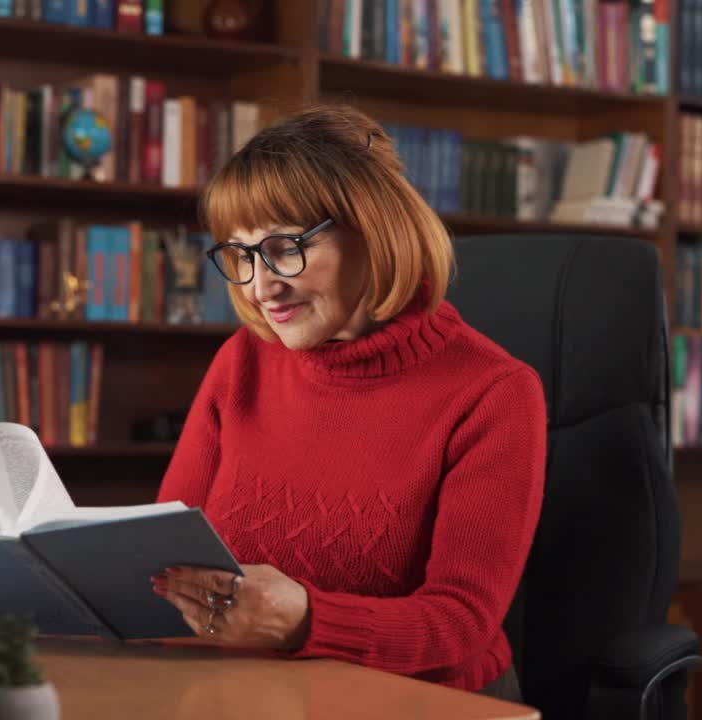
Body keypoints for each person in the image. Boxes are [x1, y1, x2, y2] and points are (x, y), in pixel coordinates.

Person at [151, 104, 545, 703]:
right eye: (243, 255)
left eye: (285, 247)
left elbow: (460, 623)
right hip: (249, 694)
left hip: (422, 703)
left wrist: (306, 621)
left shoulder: (494, 392)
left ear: (373, 231)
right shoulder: (242, 361)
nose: (261, 287)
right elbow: (166, 557)